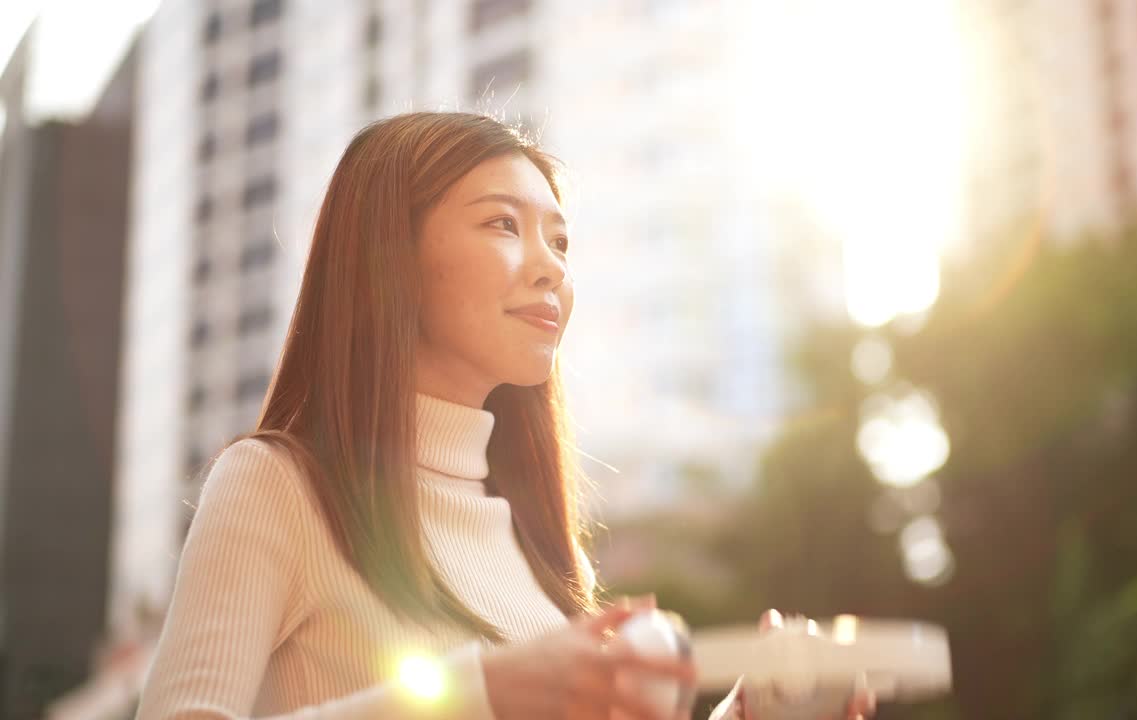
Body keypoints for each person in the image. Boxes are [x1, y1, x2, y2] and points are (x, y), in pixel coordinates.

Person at [135, 112, 876, 720]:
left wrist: (753, 716)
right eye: (502, 224)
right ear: (391, 260)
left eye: (560, 240)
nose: (552, 265)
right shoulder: (276, 487)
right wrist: (482, 693)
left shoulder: (534, 547)